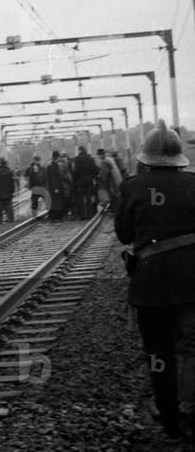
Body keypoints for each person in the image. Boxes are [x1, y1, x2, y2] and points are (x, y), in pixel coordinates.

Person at [115, 120, 195, 441]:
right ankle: (192, 409)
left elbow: (124, 234)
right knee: (191, 345)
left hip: (150, 284)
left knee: (158, 352)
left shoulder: (133, 187)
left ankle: (170, 417)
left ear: (145, 158)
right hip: (192, 278)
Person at [72, 146, 99, 220]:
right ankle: (90, 214)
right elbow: (95, 169)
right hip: (89, 180)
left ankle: (83, 215)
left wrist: (75, 180)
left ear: (80, 150)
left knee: (81, 198)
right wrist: (92, 177)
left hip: (81, 181)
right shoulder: (90, 159)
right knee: (89, 197)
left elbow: (76, 171)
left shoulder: (77, 159)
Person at [97, 148, 123, 213]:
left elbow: (104, 174)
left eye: (99, 155)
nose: (99, 156)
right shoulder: (110, 159)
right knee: (117, 194)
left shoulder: (104, 162)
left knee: (113, 195)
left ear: (101, 155)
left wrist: (101, 180)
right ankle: (119, 209)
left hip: (111, 181)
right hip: (117, 178)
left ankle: (115, 210)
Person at [0, 157, 15, 224]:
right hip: (8, 191)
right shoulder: (10, 172)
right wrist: (12, 191)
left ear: (0, 163)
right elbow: (12, 182)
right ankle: (10, 219)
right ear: (6, 163)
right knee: (9, 206)